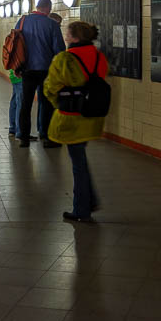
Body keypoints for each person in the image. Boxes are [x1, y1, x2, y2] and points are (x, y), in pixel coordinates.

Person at [44, 21, 109, 222]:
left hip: (71, 119)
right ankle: (89, 200)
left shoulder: (64, 59)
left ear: (75, 38)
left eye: (68, 34)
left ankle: (82, 209)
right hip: (92, 116)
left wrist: (59, 104)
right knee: (80, 160)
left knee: (78, 164)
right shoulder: (99, 56)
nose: (65, 37)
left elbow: (50, 87)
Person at [17, 0, 65, 148]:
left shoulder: (22, 21)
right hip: (46, 70)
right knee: (47, 103)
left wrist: (18, 66)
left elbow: (16, 44)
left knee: (26, 104)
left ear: (37, 7)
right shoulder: (52, 24)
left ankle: (24, 138)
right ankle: (47, 137)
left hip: (27, 69)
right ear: (48, 8)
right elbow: (59, 50)